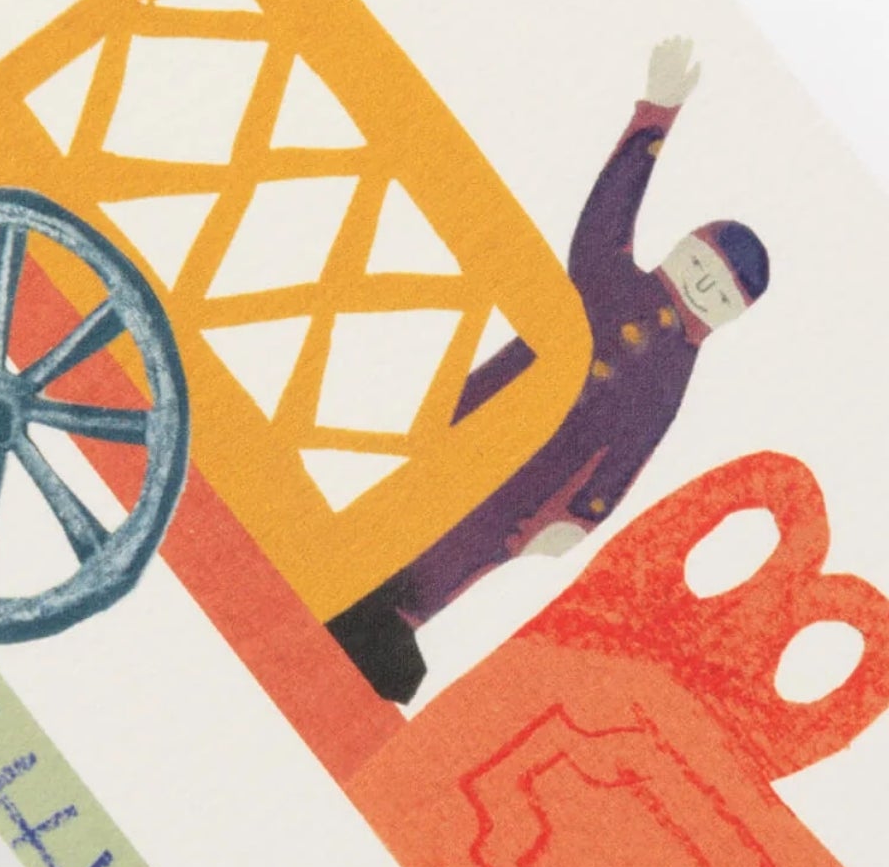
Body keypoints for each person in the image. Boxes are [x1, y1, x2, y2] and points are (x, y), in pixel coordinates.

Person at [326, 38, 770, 703]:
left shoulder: (675, 373)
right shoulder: (613, 280)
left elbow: (635, 448)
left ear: (729, 315)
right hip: (491, 412)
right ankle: (346, 572)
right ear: (682, 250)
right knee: (416, 496)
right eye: (701, 267)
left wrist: (583, 515)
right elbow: (604, 223)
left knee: (470, 547)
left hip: (539, 482)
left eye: (720, 293)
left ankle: (395, 622)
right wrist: (655, 116)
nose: (702, 287)